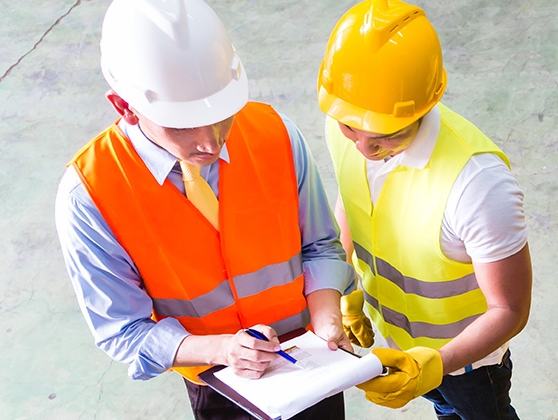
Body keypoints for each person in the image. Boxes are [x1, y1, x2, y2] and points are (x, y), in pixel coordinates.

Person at [54, 0, 354, 418]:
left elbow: (320, 245)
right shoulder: (90, 194)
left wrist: (326, 320)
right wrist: (224, 350)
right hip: (219, 384)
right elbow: (122, 329)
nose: (211, 143)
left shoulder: (275, 135)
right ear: (124, 107)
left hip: (312, 362)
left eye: (221, 117)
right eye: (182, 125)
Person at [318, 1, 533, 419]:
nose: (362, 147)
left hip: (469, 361)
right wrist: (347, 286)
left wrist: (432, 367)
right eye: (351, 128)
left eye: (387, 135)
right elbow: (353, 195)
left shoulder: (477, 184)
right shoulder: (345, 117)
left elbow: (509, 310)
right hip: (399, 342)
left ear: (423, 105)